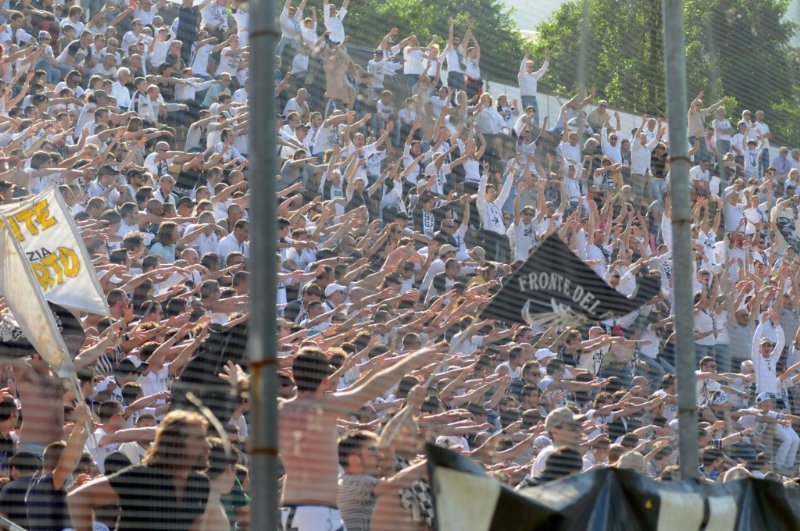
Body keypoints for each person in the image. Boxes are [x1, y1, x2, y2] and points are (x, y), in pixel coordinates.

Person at [278, 344, 444, 530]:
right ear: (325, 380)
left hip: (290, 509)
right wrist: (412, 361)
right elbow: (370, 388)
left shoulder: (280, 409)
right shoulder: (325, 407)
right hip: (318, 511)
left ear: (294, 377)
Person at [67, 410, 211, 531]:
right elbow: (78, 498)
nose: (207, 445)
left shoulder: (201, 483)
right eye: (199, 439)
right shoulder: (141, 476)